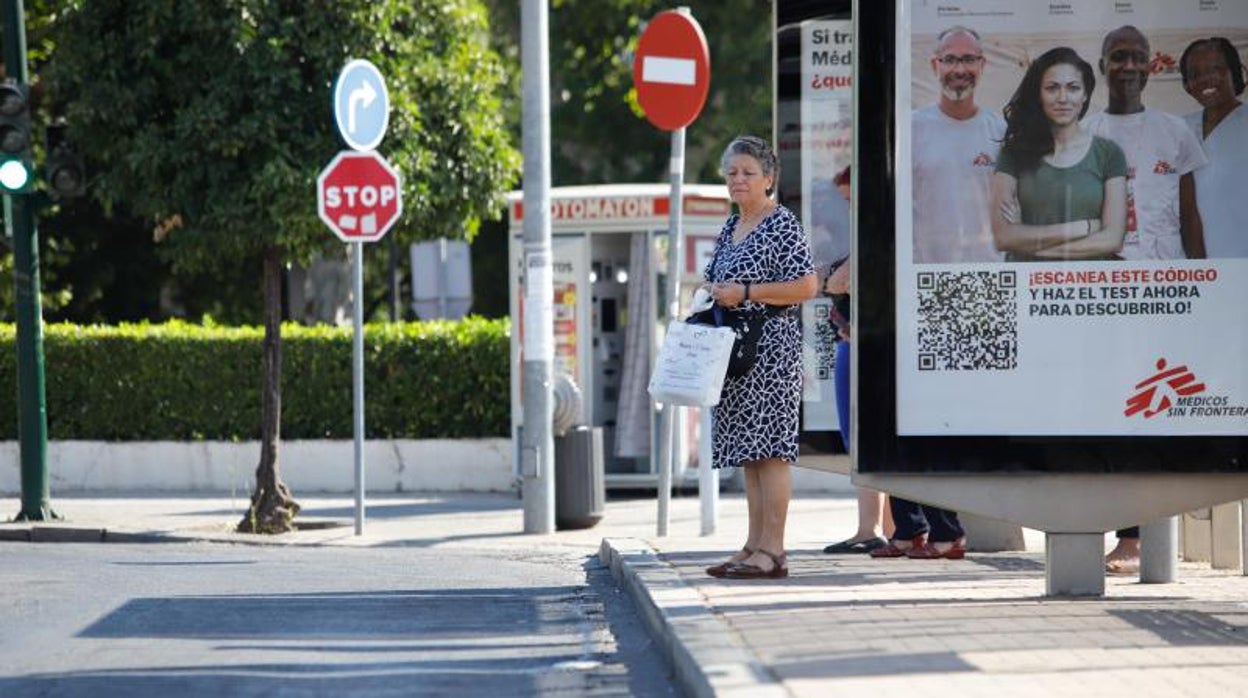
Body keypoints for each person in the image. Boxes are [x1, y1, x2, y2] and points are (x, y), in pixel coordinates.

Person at [701, 135, 817, 580]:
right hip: (734, 353)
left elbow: (807, 286)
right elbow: (716, 280)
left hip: (771, 350)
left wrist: (746, 292)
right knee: (749, 453)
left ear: (769, 179)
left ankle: (775, 550)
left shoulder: (781, 222)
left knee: (771, 452)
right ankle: (752, 546)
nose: (738, 180)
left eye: (748, 173)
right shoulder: (730, 227)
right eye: (732, 173)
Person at [991, 47, 1128, 261]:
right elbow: (1003, 237)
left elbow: (1112, 239)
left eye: (1073, 88)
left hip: (1088, 286)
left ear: (1085, 95)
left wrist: (1033, 245)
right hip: (1030, 284)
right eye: (1052, 88)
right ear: (1039, 94)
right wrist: (1084, 227)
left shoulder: (1109, 154)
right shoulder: (1014, 153)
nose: (1063, 98)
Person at [1083, 26, 1206, 261]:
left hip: (1166, 270)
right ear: (1102, 66)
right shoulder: (1083, 134)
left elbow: (1189, 215)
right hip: (1104, 273)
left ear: (1149, 68)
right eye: (1119, 57)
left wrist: (1201, 276)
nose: (1129, 67)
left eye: (1139, 58)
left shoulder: (1176, 129)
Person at [821, 166, 893, 555]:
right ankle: (889, 528)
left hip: (863, 344)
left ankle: (869, 529)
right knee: (864, 439)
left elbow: (835, 282)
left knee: (863, 439)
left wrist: (835, 277)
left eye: (851, 201)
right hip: (853, 338)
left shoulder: (869, 236)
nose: (845, 208)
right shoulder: (846, 237)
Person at [912, 26, 1006, 264]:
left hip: (990, 273)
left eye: (968, 60)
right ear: (935, 65)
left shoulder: (1000, 131)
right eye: (950, 59)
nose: (960, 69)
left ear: (982, 65)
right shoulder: (910, 129)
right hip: (926, 275)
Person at [1181, 37, 1248, 258]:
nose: (1205, 80)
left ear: (1234, 73)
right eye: (1195, 74)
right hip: (1196, 267)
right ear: (1186, 85)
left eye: (1216, 69)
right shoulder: (1180, 128)